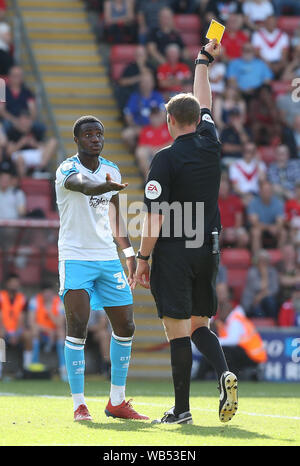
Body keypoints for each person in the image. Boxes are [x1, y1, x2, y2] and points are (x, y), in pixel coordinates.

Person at [134, 39, 238, 425]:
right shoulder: (212, 142)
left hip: (175, 252)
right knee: (200, 326)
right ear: (198, 119)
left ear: (169, 121)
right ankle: (224, 371)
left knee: (178, 333)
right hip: (208, 246)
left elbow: (155, 217)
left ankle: (181, 411)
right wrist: (202, 63)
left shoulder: (164, 159)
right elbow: (203, 99)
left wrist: (143, 260)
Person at [55, 115, 148, 421]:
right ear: (77, 140)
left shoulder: (111, 169)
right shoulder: (67, 169)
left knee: (126, 326)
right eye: (89, 135)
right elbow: (81, 185)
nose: (95, 138)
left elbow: (114, 214)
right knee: (78, 326)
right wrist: (102, 185)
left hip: (107, 257)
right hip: (75, 256)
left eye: (99, 134)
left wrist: (129, 251)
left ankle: (117, 401)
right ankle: (79, 404)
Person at [197, 283, 267, 379]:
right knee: (219, 352)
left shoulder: (235, 318)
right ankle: (204, 377)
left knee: (224, 352)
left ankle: (230, 379)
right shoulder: (226, 318)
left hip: (252, 355)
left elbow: (233, 340)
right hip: (245, 352)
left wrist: (213, 343)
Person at [28, 283, 66, 381]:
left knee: (61, 332)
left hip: (55, 333)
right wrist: (48, 330)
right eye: (45, 293)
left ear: (52, 293)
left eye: (49, 293)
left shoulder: (59, 302)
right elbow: (31, 322)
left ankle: (63, 368)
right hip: (41, 332)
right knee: (33, 331)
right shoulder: (34, 301)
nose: (47, 295)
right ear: (41, 293)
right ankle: (33, 365)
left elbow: (60, 323)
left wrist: (50, 313)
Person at [122, 70, 165, 151]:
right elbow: (128, 115)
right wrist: (134, 125)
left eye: (148, 82)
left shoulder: (158, 96)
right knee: (127, 134)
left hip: (155, 127)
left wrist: (155, 126)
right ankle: (135, 152)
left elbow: (163, 115)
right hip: (140, 128)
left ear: (153, 83)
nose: (146, 84)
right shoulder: (134, 97)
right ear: (140, 84)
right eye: (144, 82)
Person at [6, 111, 57, 177]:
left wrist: (34, 144)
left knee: (53, 141)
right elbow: (9, 152)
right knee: (20, 158)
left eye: (27, 120)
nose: (25, 123)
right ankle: (24, 180)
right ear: (19, 121)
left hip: (34, 153)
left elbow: (43, 148)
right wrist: (21, 143)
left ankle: (39, 169)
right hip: (19, 153)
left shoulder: (36, 130)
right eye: (23, 121)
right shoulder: (12, 131)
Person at [0, 274, 32, 378]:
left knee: (28, 336)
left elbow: (22, 318)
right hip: (3, 329)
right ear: (7, 284)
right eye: (12, 282)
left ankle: (27, 370)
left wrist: (16, 333)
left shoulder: (22, 298)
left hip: (17, 330)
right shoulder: (1, 296)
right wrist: (3, 329)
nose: (14, 285)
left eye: (16, 282)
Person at [247, 180, 286, 253]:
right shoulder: (253, 203)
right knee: (256, 232)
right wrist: (269, 227)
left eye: (269, 190)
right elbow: (254, 223)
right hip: (259, 228)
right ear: (260, 191)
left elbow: (280, 222)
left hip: (273, 229)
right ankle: (257, 257)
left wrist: (276, 227)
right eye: (265, 190)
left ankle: (279, 257)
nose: (267, 192)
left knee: (283, 232)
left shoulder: (278, 202)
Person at [135, 107, 173, 179]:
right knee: (140, 152)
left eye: (157, 117)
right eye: (153, 117)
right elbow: (142, 145)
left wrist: (159, 149)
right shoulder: (146, 130)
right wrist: (153, 149)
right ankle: (148, 178)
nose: (155, 119)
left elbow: (173, 142)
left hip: (165, 154)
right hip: (150, 155)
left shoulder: (168, 128)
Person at [241, 249, 279, 318]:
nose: (263, 263)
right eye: (261, 260)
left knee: (271, 302)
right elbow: (260, 287)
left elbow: (274, 289)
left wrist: (261, 296)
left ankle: (273, 324)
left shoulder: (272, 271)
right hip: (252, 303)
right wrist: (264, 274)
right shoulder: (252, 272)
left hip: (263, 301)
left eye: (265, 260)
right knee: (258, 311)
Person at [218, 175, 249, 247]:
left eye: (224, 188)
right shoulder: (213, 202)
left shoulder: (235, 200)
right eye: (221, 188)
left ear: (228, 188)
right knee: (216, 237)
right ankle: (218, 257)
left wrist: (233, 230)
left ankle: (237, 255)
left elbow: (239, 219)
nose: (223, 190)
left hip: (234, 228)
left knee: (244, 238)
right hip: (220, 229)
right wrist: (224, 231)